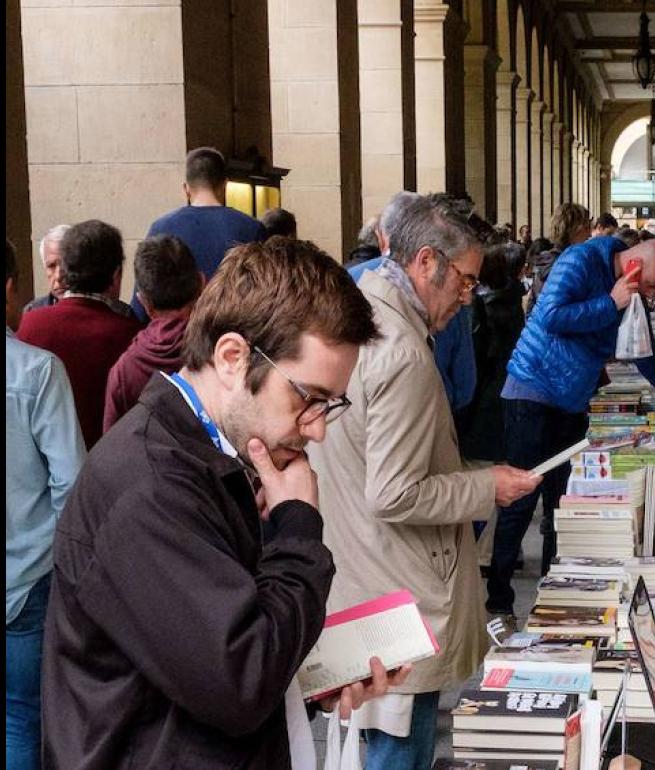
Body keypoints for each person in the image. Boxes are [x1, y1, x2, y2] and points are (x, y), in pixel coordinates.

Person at [42, 237, 407, 769]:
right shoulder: (150, 487)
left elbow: (203, 656)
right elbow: (240, 681)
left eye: (332, 404)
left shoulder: (215, 457)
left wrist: (311, 678)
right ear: (233, 357)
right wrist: (297, 528)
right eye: (308, 399)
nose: (319, 429)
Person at [307, 193, 540, 770]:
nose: (468, 298)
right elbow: (395, 492)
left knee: (382, 743)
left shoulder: (361, 310)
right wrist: (488, 486)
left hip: (362, 574)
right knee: (398, 748)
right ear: (425, 261)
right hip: (401, 592)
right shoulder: (404, 353)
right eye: (464, 281)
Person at [488, 235, 655, 617]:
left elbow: (649, 361)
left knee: (562, 505)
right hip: (533, 390)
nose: (653, 296)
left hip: (572, 400)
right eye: (652, 286)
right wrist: (611, 302)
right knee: (521, 499)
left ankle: (552, 592)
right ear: (634, 266)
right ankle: (499, 598)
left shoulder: (632, 297)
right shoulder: (580, 261)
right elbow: (550, 316)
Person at [6, 240, 86, 770]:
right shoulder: (35, 372)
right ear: (8, 288)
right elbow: (71, 482)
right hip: (27, 580)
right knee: (21, 719)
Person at [17, 219, 142, 448]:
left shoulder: (27, 326)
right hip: (109, 466)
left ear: (65, 270)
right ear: (116, 276)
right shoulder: (132, 337)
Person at [136, 146, 266, 322]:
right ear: (224, 185)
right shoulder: (251, 228)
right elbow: (265, 294)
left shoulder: (161, 227)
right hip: (233, 332)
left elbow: (143, 296)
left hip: (176, 335)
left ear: (186, 188)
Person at [103, 234, 204, 432]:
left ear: (144, 303)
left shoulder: (124, 371)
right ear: (202, 283)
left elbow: (113, 448)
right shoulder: (224, 350)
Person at [463, 242, 528, 463]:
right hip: (510, 381)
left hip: (486, 389)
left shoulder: (480, 305)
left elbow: (478, 352)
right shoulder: (514, 298)